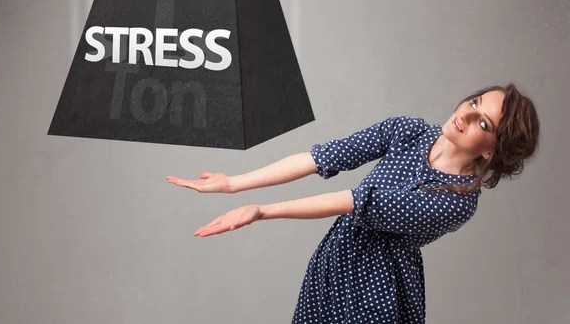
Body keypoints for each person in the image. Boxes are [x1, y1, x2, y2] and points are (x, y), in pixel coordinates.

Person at [166, 83, 539, 323]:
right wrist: (233, 183)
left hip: (380, 286)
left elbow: (354, 202)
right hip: (335, 261)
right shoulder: (408, 131)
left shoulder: (458, 200)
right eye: (474, 102)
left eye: (483, 124)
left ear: (493, 153)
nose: (465, 114)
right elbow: (323, 158)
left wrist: (262, 211)